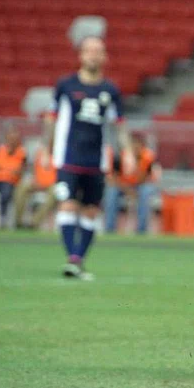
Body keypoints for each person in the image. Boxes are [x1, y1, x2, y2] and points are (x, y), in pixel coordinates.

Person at [44, 36, 133, 280]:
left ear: (104, 57)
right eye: (89, 51)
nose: (94, 55)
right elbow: (51, 119)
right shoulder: (66, 86)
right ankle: (73, 257)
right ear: (81, 55)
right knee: (68, 205)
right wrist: (46, 149)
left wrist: (128, 153)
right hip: (68, 157)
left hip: (97, 160)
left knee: (91, 211)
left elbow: (119, 125)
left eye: (98, 51)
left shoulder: (111, 90)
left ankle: (78, 258)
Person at [103, 132, 160, 234]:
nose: (135, 148)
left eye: (138, 145)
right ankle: (110, 228)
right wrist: (127, 190)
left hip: (140, 186)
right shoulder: (121, 156)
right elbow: (113, 178)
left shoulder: (147, 158)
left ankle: (141, 230)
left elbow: (146, 178)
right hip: (123, 186)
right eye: (133, 145)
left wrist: (137, 164)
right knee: (111, 192)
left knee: (145, 192)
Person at [12, 141, 57, 230]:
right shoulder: (40, 153)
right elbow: (35, 169)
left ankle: (34, 223)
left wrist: (48, 183)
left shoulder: (60, 155)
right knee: (21, 188)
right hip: (38, 182)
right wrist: (35, 179)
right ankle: (18, 222)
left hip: (53, 184)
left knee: (54, 194)